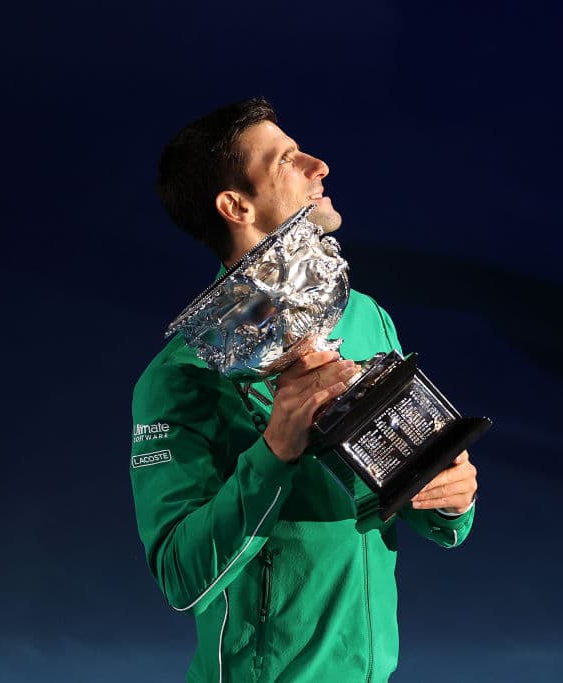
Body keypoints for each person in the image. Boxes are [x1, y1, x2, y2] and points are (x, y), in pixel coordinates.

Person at [130, 98, 479, 682]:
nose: (319, 166)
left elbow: (423, 500)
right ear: (235, 206)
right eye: (288, 160)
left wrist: (454, 499)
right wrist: (276, 452)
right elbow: (180, 579)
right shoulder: (181, 378)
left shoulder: (366, 318)